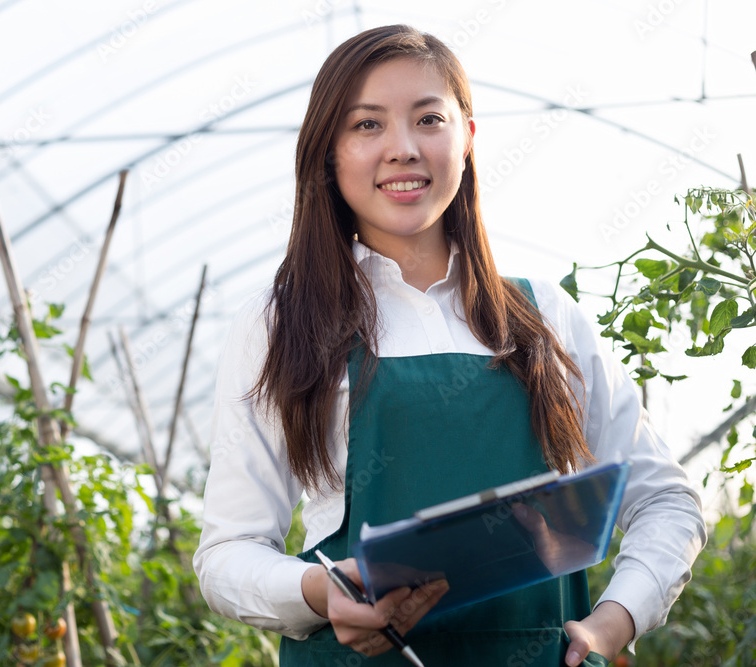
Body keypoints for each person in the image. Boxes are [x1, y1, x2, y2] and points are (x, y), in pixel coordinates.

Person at [193, 24, 706, 667]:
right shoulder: (283, 323)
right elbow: (226, 556)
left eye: (428, 119)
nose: (402, 149)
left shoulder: (545, 317)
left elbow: (665, 498)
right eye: (366, 125)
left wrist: (612, 623)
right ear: (328, 152)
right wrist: (320, 591)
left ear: (467, 138)